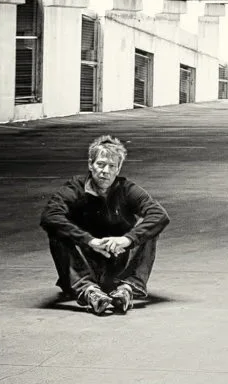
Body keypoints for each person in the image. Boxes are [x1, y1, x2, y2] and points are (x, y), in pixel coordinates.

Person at [39, 135, 171, 315]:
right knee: (57, 231)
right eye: (100, 164)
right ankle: (90, 292)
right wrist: (90, 241)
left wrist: (127, 240)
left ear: (118, 169)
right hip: (85, 266)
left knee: (149, 228)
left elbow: (159, 214)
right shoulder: (74, 188)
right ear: (90, 164)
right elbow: (49, 215)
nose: (105, 171)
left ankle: (127, 289)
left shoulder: (127, 189)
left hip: (118, 263)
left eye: (111, 166)